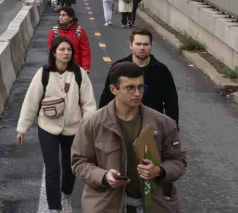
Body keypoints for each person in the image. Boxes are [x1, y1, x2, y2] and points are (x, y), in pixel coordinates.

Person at [71, 62, 187, 213]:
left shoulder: (163, 123)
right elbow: (79, 162)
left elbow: (178, 161)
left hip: (153, 205)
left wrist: (159, 171)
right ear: (113, 90)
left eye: (140, 87)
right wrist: (104, 176)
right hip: (107, 205)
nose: (137, 93)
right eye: (130, 88)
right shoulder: (91, 124)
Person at [16, 36, 97, 213]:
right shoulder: (43, 74)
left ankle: (65, 195)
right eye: (62, 49)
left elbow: (88, 104)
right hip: (48, 128)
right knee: (52, 169)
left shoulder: (79, 73)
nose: (66, 53)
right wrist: (22, 129)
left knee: (70, 169)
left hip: (73, 129)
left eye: (69, 50)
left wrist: (89, 129)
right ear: (54, 52)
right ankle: (54, 208)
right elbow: (31, 103)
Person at [98, 28, 179, 127]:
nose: (142, 48)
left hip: (151, 127)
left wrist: (172, 128)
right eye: (138, 44)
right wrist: (101, 124)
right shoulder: (118, 68)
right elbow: (106, 98)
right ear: (131, 45)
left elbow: (171, 103)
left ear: (151, 46)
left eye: (146, 44)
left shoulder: (162, 71)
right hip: (121, 125)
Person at [48, 7, 92, 73]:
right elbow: (52, 52)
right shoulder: (54, 31)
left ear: (71, 17)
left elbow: (85, 51)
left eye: (64, 15)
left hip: (75, 68)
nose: (60, 17)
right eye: (60, 15)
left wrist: (85, 67)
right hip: (59, 68)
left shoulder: (79, 31)